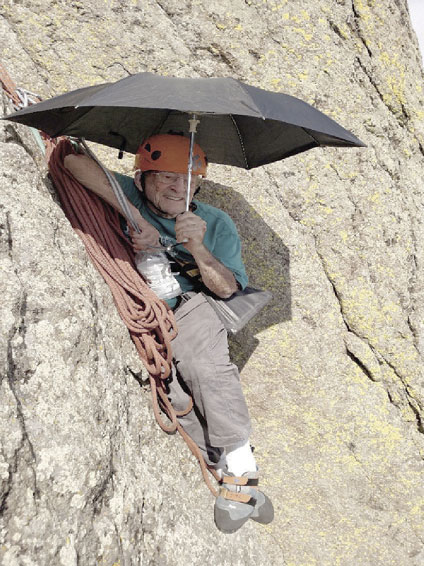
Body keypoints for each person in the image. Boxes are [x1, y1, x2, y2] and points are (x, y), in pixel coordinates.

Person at [64, 133, 273, 533]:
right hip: (151, 304)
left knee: (202, 364)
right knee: (172, 394)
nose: (179, 189)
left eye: (189, 181)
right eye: (167, 179)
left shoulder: (216, 222)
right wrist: (138, 220)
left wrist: (196, 246)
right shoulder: (132, 193)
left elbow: (228, 288)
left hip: (195, 304)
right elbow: (75, 164)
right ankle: (225, 467)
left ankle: (243, 469)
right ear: (142, 179)